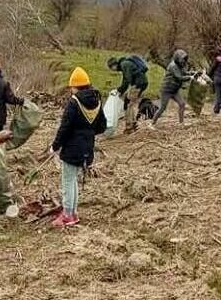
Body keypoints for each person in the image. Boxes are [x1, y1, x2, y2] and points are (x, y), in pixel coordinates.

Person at [50, 67, 107, 227]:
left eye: (71, 87)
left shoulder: (74, 103)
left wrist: (54, 146)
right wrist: (87, 133)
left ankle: (68, 215)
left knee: (67, 181)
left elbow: (65, 127)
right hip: (87, 148)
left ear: (75, 87)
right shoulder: (97, 101)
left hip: (72, 149)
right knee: (73, 179)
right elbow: (102, 126)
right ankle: (73, 212)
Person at [107, 55, 150, 134]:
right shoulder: (125, 64)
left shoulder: (124, 65)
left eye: (111, 68)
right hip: (141, 83)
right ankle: (132, 123)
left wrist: (120, 90)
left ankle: (130, 127)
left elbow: (127, 80)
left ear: (114, 65)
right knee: (128, 101)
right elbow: (125, 80)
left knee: (128, 104)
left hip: (138, 84)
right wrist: (120, 90)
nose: (112, 70)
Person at [152, 49, 191, 126]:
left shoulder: (180, 66)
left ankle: (181, 123)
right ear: (177, 58)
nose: (183, 61)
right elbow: (179, 77)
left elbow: (184, 73)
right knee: (162, 108)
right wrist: (191, 77)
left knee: (182, 104)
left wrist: (194, 73)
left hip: (174, 90)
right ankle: (152, 123)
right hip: (166, 90)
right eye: (182, 59)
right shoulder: (173, 66)